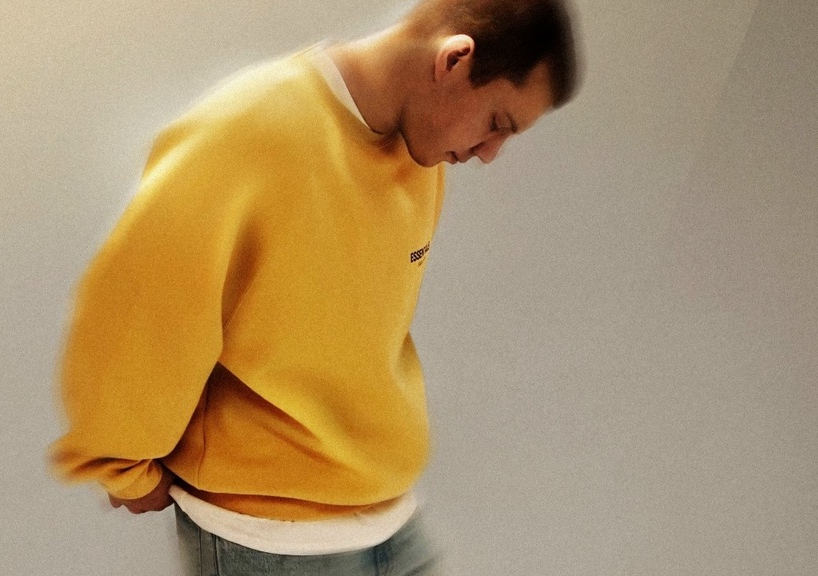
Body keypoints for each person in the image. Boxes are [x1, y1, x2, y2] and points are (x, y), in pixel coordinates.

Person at [49, 0, 581, 573]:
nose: (489, 154)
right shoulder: (249, 130)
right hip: (265, 539)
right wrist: (123, 464)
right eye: (497, 123)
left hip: (387, 513)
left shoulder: (421, 158)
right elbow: (139, 305)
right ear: (454, 61)